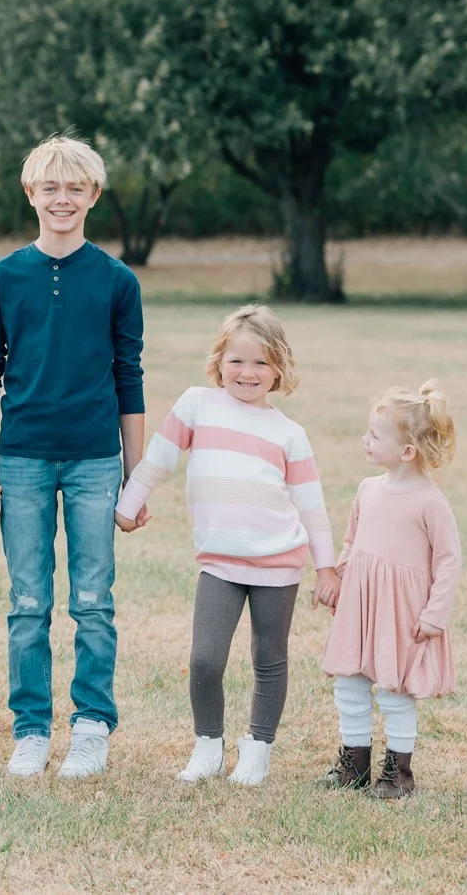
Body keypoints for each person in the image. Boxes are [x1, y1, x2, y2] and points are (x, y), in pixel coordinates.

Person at [0, 134, 146, 780]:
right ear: (30, 194)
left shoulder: (116, 279)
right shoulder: (3, 278)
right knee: (27, 601)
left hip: (97, 458)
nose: (62, 198)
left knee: (94, 598)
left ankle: (92, 724)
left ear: (93, 196)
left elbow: (130, 376)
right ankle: (31, 729)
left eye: (75, 188)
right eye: (51, 187)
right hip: (23, 457)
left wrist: (138, 477)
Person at [113, 305, 338, 786]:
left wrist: (328, 568)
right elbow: (158, 459)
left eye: (260, 363)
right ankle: (208, 747)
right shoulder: (198, 404)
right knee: (205, 658)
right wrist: (129, 504)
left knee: (269, 657)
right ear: (219, 362)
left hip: (278, 564)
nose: (247, 373)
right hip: (219, 561)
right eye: (237, 361)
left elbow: (312, 508)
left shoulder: (289, 435)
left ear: (278, 368)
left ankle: (257, 749)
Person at [319, 382, 463, 800]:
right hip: (361, 603)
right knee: (349, 678)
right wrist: (341, 580)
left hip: (403, 610)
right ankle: (354, 763)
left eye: (375, 435)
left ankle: (398, 771)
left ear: (407, 452)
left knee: (395, 687)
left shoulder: (431, 503)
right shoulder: (367, 489)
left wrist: (434, 614)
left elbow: (448, 561)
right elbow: (351, 540)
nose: (365, 440)